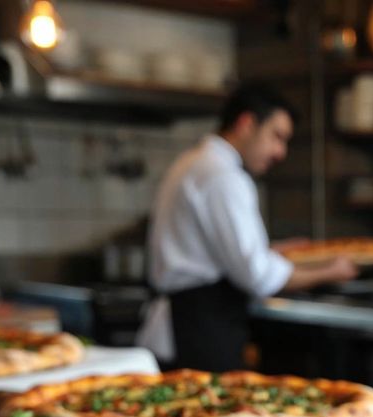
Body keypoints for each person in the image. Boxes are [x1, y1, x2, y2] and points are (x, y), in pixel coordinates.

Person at [136, 82, 357, 371]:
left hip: (186, 324)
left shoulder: (193, 162)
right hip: (201, 330)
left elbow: (212, 253)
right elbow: (256, 276)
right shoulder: (223, 176)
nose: (280, 152)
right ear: (246, 123)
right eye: (276, 137)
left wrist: (273, 252)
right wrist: (330, 271)